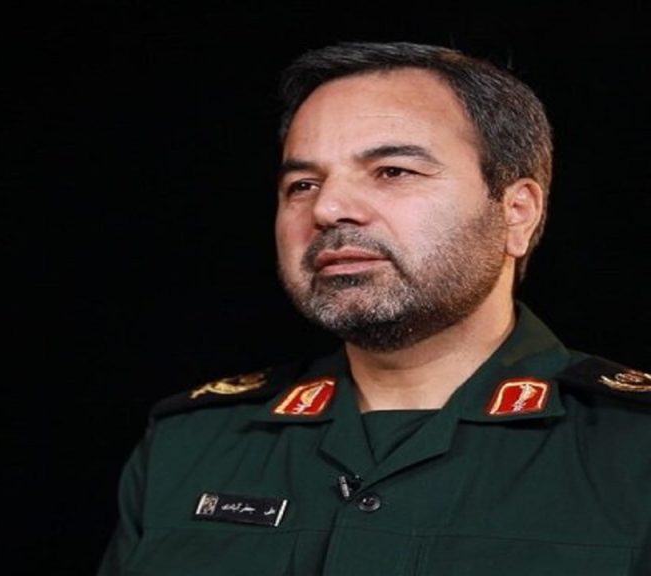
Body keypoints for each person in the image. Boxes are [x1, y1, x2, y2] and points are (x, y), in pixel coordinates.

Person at [95, 41, 650, 575]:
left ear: (516, 212)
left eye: (393, 171)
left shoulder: (634, 449)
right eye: (303, 184)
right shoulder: (190, 446)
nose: (328, 208)